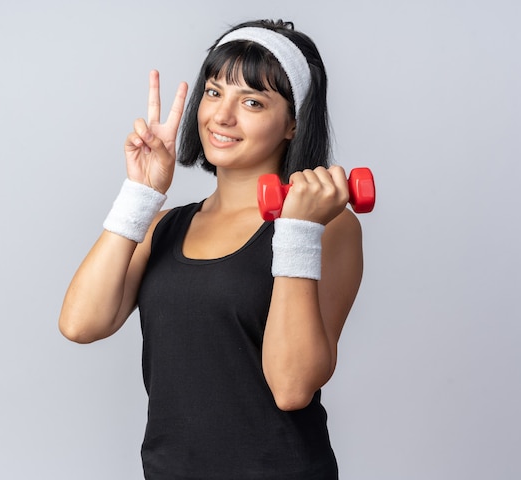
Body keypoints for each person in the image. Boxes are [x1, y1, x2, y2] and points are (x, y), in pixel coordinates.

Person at [59, 19, 363, 480]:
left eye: (253, 102)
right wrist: (141, 194)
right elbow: (80, 324)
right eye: (215, 91)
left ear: (292, 124)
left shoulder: (328, 226)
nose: (222, 116)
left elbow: (292, 387)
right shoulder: (163, 226)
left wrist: (298, 230)